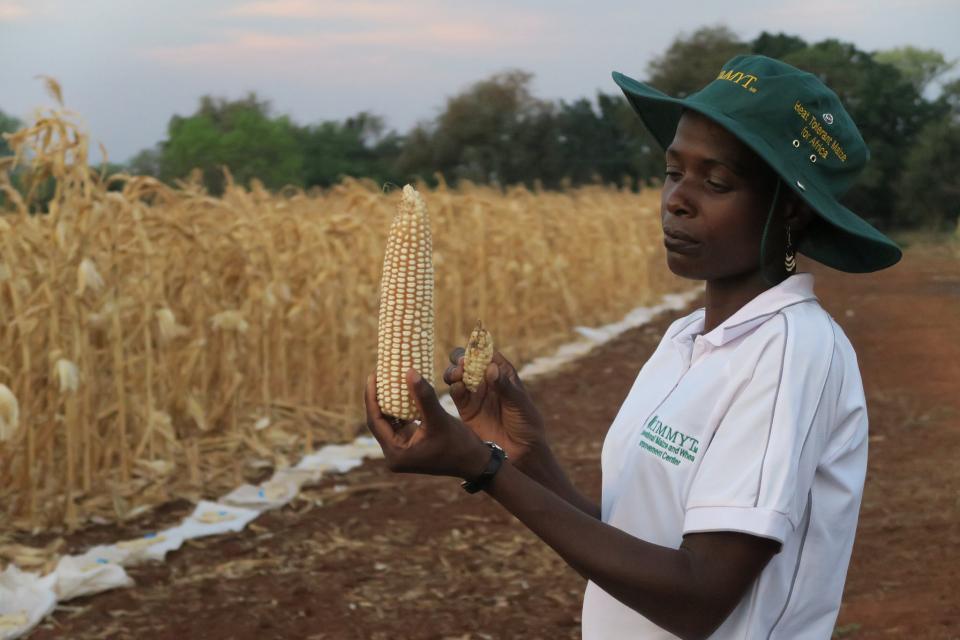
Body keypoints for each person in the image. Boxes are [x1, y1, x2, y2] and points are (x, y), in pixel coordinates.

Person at [364, 55, 902, 639]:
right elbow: (637, 548)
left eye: (716, 182)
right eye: (674, 173)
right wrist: (523, 455)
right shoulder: (684, 341)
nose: (677, 200)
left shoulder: (791, 351)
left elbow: (698, 597)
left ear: (791, 209)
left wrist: (483, 469)